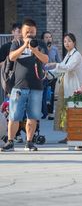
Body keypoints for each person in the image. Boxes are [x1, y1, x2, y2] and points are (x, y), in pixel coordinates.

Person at [1, 18, 48, 152]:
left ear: (35, 31)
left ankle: (29, 142)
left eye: (32, 31)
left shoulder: (40, 44)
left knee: (33, 116)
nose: (29, 34)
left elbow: (45, 59)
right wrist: (24, 46)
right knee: (14, 116)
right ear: (22, 31)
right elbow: (11, 57)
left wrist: (34, 50)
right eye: (27, 31)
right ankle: (10, 142)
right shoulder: (16, 43)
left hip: (36, 86)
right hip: (18, 86)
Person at [45, 33, 82, 143]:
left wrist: (54, 64)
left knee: (71, 112)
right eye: (65, 41)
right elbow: (60, 70)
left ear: (74, 42)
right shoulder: (68, 55)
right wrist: (47, 73)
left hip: (73, 88)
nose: (66, 43)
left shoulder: (77, 55)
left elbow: (68, 68)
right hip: (65, 86)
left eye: (69, 41)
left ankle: (73, 135)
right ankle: (69, 135)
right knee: (65, 111)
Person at [41, 31, 61, 120]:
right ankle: (44, 112)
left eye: (50, 37)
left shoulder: (54, 49)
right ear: (43, 39)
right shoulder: (39, 49)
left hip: (52, 75)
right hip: (42, 75)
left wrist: (53, 64)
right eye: (46, 37)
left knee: (51, 94)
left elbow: (59, 62)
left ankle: (50, 113)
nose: (48, 39)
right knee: (43, 94)